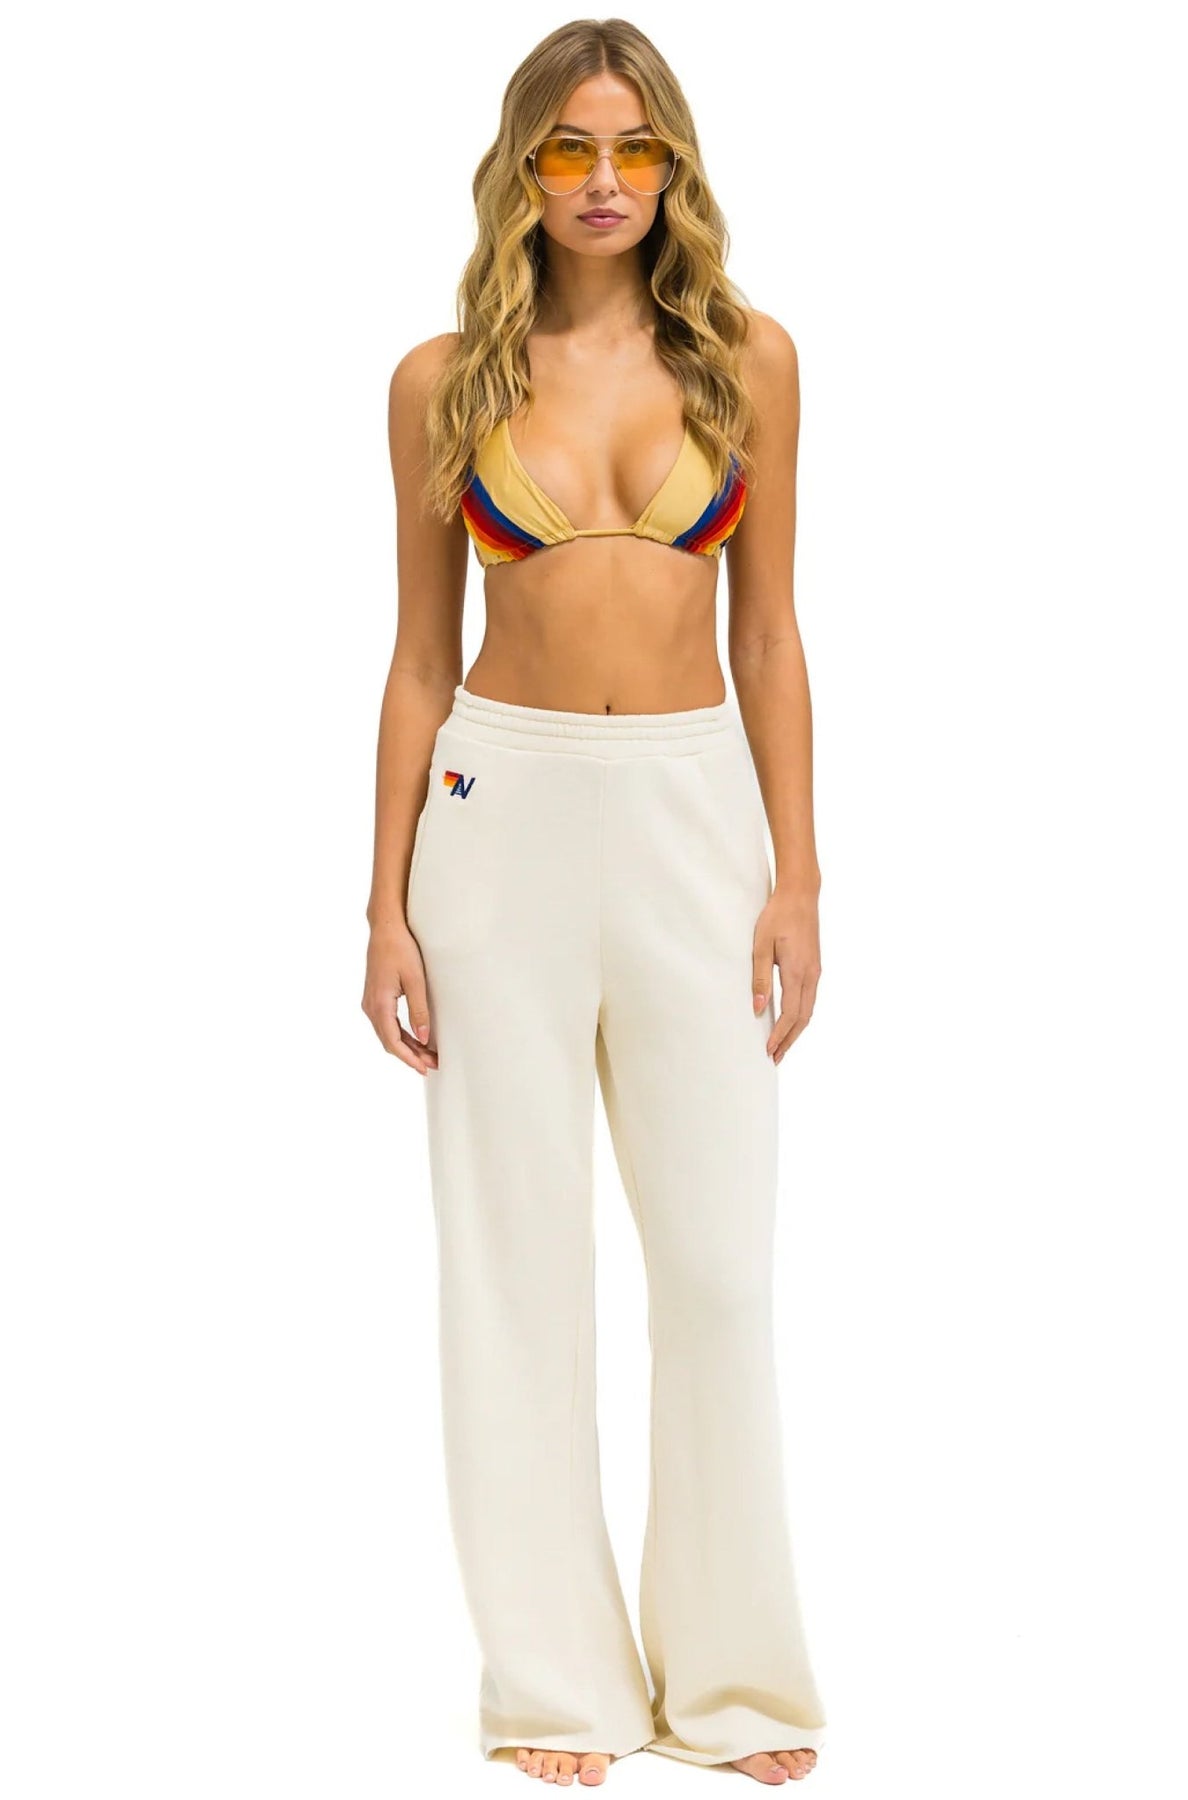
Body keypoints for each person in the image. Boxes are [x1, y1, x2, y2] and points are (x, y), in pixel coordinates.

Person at [362, 19, 827, 1790]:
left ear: (675, 166)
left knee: (715, 1267)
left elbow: (770, 637)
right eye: (570, 149)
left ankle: (735, 1687)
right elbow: (420, 658)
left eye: (636, 149)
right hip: (499, 817)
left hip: (697, 814)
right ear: (524, 170)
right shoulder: (442, 380)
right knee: (515, 1262)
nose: (606, 180)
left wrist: (798, 876)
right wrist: (385, 909)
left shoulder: (750, 362)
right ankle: (557, 1690)